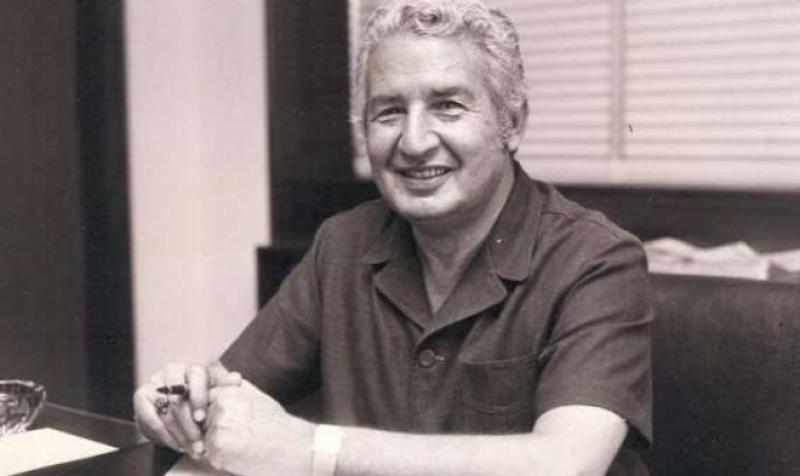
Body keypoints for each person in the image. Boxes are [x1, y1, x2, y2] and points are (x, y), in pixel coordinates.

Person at [133, 0, 652, 474]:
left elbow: (564, 465)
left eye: (448, 106)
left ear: (511, 123)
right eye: (389, 112)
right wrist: (179, 407)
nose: (415, 141)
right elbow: (230, 400)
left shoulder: (598, 260)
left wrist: (311, 448)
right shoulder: (342, 244)